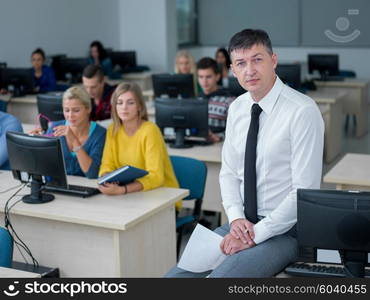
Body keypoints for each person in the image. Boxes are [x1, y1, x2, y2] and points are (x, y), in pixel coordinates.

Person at [166, 29, 324, 277]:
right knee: (176, 278)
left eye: (257, 59)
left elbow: (304, 193)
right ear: (232, 70)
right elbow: (228, 173)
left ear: (273, 60)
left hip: (285, 230)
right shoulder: (238, 108)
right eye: (241, 63)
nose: (249, 70)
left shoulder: (302, 111)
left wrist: (255, 235)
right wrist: (237, 219)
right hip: (242, 223)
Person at [98, 82, 180, 208]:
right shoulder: (112, 130)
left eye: (130, 103)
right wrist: (106, 179)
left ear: (139, 106)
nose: (124, 107)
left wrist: (122, 190)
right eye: (120, 103)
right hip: (131, 197)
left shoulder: (150, 131)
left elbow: (156, 177)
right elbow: (107, 164)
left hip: (162, 199)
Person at [43, 86, 106, 179]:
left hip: (87, 188)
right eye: (66, 110)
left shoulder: (100, 134)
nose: (70, 115)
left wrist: (74, 141)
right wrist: (35, 143)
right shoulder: (54, 128)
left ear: (88, 109)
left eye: (76, 110)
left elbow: (92, 173)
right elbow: (44, 167)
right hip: (58, 187)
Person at [196, 57, 235, 143]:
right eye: (201, 77)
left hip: (220, 146)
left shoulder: (229, 101)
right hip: (197, 144)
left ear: (217, 77)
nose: (204, 81)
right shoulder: (196, 100)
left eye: (208, 77)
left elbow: (238, 130)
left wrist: (220, 136)